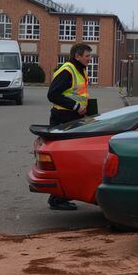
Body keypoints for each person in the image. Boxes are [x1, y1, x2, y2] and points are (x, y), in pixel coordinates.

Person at [45, 43, 93, 210]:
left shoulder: (80, 69)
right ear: (77, 56)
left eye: (90, 55)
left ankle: (59, 197)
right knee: (63, 158)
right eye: (87, 55)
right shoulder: (68, 70)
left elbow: (79, 93)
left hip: (74, 118)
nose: (89, 58)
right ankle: (57, 199)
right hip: (63, 118)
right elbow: (52, 94)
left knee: (69, 158)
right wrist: (75, 106)